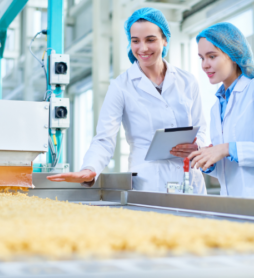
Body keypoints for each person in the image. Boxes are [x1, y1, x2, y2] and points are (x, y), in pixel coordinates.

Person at [48, 7, 207, 194]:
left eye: (150, 40)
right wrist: (89, 168)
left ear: (165, 40)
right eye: (135, 41)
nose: (143, 48)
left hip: (189, 178)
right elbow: (104, 139)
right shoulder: (121, 86)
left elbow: (201, 127)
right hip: (149, 183)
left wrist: (198, 146)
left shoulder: (187, 81)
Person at [188, 22, 254, 197]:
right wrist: (208, 161)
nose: (205, 65)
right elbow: (229, 172)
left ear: (234, 54)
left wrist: (226, 149)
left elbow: (230, 151)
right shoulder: (216, 107)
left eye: (212, 56)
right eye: (202, 58)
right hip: (230, 207)